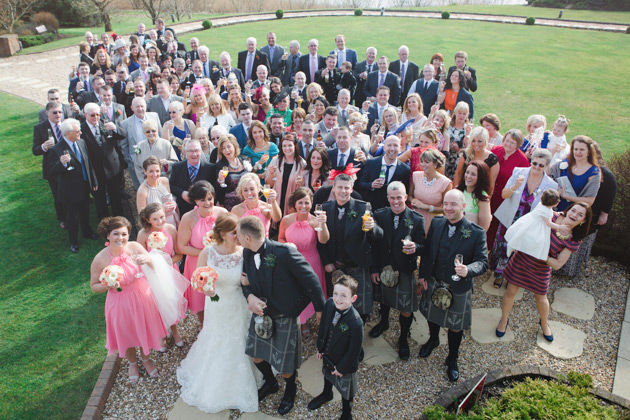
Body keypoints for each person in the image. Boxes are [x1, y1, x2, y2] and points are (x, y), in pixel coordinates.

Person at [238, 215, 326, 415]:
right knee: (255, 355)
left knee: (285, 366)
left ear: (248, 237)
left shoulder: (284, 252)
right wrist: (249, 296)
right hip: (261, 314)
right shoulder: (246, 252)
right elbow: (245, 282)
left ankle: (290, 389)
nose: (237, 239)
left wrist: (319, 309)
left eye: (239, 235)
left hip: (285, 314)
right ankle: (271, 383)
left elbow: (312, 281)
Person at [177, 213, 262, 413]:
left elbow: (255, 278)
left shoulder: (244, 252)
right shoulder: (208, 253)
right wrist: (205, 289)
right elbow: (197, 279)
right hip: (216, 303)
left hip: (238, 303)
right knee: (216, 337)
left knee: (240, 338)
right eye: (234, 232)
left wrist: (248, 282)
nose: (238, 235)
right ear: (222, 234)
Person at [418, 189, 488, 382]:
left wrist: (469, 269)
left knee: (456, 327)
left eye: (453, 204)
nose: (448, 208)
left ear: (463, 206)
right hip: (434, 281)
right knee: (432, 316)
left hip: (458, 287)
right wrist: (423, 274)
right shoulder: (437, 222)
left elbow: (483, 262)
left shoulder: (476, 233)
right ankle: (433, 339)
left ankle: (453, 358)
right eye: (446, 204)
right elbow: (429, 252)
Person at [495, 202, 592, 342]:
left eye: (580, 214)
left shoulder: (575, 239)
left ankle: (544, 324)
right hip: (523, 258)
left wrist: (541, 254)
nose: (574, 215)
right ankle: (503, 320)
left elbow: (558, 264)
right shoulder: (550, 216)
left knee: (541, 298)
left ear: (583, 221)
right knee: (510, 291)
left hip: (542, 266)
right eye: (573, 210)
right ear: (568, 210)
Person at [90, 217, 166, 381]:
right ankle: (132, 363)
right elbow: (93, 286)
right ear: (108, 235)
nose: (121, 238)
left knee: (144, 328)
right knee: (127, 333)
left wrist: (149, 260)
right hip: (119, 302)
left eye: (124, 234)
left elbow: (154, 266)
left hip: (141, 295)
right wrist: (107, 284)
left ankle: (146, 359)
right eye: (116, 234)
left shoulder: (135, 247)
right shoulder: (101, 259)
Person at [317, 174, 383, 324]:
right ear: (333, 188)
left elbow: (379, 236)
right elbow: (320, 241)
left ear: (351, 189)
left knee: (360, 309)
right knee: (337, 306)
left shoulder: (363, 207)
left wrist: (372, 228)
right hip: (335, 268)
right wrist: (326, 261)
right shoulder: (325, 208)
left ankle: (357, 339)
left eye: (346, 188)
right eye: (339, 187)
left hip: (357, 265)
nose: (343, 191)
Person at [370, 182, 425, 360]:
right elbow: (373, 246)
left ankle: (403, 337)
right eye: (392, 198)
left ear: (405, 197)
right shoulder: (379, 215)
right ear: (387, 198)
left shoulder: (417, 219)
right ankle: (384, 322)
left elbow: (424, 246)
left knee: (406, 308)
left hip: (404, 270)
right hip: (383, 267)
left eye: (399, 197)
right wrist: (374, 269)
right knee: (384, 300)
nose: (395, 201)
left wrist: (415, 247)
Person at [491, 149, 557, 288]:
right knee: (504, 246)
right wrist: (515, 186)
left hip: (529, 223)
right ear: (531, 162)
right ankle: (498, 275)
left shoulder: (551, 185)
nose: (537, 167)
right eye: (534, 163)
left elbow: (548, 208)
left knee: (519, 249)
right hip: (510, 217)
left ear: (547, 166)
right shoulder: (518, 173)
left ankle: (512, 277)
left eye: (541, 165)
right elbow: (504, 195)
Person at [307, 275, 363, 420]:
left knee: (346, 391)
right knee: (327, 375)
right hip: (328, 354)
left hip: (344, 363)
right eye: (335, 293)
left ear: (353, 298)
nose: (338, 298)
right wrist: (320, 348)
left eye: (343, 296)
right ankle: (327, 393)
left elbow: (354, 351)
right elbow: (324, 328)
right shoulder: (330, 304)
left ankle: (346, 413)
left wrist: (342, 368)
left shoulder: (356, 322)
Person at [556, 142, 615, 276]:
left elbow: (609, 195)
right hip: (574, 209)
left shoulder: (605, 174)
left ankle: (569, 270)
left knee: (579, 240)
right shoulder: (576, 167)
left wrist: (604, 214)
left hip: (592, 213)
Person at [279, 188, 329, 336]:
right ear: (295, 204)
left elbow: (324, 240)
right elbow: (280, 238)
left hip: (311, 262)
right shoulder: (287, 220)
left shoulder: (315, 220)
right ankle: (303, 321)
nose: (303, 206)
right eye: (300, 202)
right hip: (292, 261)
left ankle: (319, 317)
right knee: (296, 292)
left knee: (312, 290)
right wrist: (286, 245)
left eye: (307, 202)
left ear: (311, 203)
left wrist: (323, 224)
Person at [178, 181, 228, 326]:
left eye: (210, 198)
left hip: (221, 261)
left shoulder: (223, 213)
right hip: (197, 263)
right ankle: (203, 326)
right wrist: (206, 253)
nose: (207, 203)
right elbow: (181, 247)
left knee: (221, 295)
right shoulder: (188, 218)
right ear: (195, 201)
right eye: (202, 200)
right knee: (201, 298)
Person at [48, 118, 100, 253]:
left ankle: (87, 232)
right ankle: (73, 242)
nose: (81, 133)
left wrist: (93, 180)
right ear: (67, 134)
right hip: (69, 190)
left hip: (84, 185)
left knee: (85, 211)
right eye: (77, 131)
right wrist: (62, 164)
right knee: (72, 217)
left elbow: (88, 163)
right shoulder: (56, 149)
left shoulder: (81, 143)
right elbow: (52, 172)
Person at [137, 203, 185, 346]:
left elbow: (179, 254)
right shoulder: (143, 234)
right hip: (151, 275)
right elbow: (141, 259)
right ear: (148, 220)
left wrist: (166, 263)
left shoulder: (170, 229)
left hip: (170, 271)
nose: (160, 222)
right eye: (155, 219)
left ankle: (175, 332)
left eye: (162, 217)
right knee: (157, 305)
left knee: (170, 302)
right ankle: (161, 334)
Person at [487, 129, 530, 248]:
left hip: (504, 197)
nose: (508, 145)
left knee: (495, 224)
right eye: (507, 141)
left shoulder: (522, 160)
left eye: (513, 143)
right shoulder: (495, 150)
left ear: (518, 145)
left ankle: (491, 249)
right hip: (489, 192)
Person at [81, 102, 125, 219]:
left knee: (115, 196)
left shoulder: (105, 124)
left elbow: (123, 135)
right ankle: (104, 222)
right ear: (85, 115)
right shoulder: (81, 130)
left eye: (97, 114)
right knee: (100, 199)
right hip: (96, 170)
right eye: (92, 115)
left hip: (113, 167)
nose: (95, 117)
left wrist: (115, 129)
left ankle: (119, 219)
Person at [505, 189, 568, 259]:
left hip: (528, 221)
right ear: (556, 204)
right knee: (534, 243)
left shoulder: (541, 204)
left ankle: (512, 247)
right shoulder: (546, 212)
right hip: (536, 228)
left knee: (519, 235)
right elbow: (549, 224)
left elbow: (549, 210)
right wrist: (560, 227)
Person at [34, 102, 68, 227]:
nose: (58, 115)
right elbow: (35, 150)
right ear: (47, 113)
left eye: (60, 112)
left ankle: (77, 214)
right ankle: (63, 218)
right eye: (55, 112)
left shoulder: (67, 124)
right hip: (53, 168)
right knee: (58, 195)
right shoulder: (40, 128)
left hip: (69, 164)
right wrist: (43, 147)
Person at [119, 97, 162, 189]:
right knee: (141, 188)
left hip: (156, 161)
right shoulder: (125, 124)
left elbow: (161, 135)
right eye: (137, 106)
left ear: (146, 106)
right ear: (132, 108)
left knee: (158, 187)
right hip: (137, 163)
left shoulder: (154, 116)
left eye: (142, 106)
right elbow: (124, 145)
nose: (140, 109)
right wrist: (130, 160)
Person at [550, 135, 601, 212]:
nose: (578, 152)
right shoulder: (565, 162)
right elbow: (548, 173)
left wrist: (566, 196)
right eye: (575, 149)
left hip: (573, 212)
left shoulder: (594, 172)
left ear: (589, 151)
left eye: (582, 150)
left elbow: (589, 201)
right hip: (553, 207)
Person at [359, 136, 410, 210]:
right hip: (372, 208)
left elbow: (406, 192)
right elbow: (361, 184)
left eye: (395, 145)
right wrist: (371, 185)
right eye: (389, 145)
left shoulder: (405, 170)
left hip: (392, 211)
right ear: (384, 147)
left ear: (400, 148)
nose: (392, 149)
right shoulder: (371, 163)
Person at [409, 148, 452, 233]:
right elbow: (409, 196)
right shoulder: (416, 176)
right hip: (415, 219)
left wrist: (427, 207)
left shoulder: (446, 183)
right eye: (422, 161)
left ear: (435, 163)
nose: (423, 165)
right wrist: (413, 200)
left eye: (427, 162)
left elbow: (446, 208)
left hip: (434, 223)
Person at [170, 139, 217, 215]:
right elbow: (171, 185)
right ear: (185, 152)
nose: (194, 154)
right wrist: (182, 193)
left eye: (196, 151)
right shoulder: (177, 167)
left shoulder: (210, 168)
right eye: (191, 151)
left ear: (201, 152)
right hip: (183, 210)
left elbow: (214, 189)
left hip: (204, 211)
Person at [265, 134, 307, 215]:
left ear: (295, 146)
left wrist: (300, 183)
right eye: (284, 146)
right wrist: (271, 174)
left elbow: (304, 188)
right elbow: (269, 184)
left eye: (290, 145)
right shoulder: (275, 160)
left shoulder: (302, 163)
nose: (287, 148)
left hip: (292, 202)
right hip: (276, 200)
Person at [231, 173, 282, 238]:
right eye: (245, 190)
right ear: (242, 192)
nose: (249, 193)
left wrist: (273, 201)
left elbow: (277, 218)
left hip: (263, 245)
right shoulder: (236, 209)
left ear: (258, 189)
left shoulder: (266, 207)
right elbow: (232, 231)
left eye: (252, 189)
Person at [453, 127, 499, 195]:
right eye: (473, 141)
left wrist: (486, 201)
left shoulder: (492, 159)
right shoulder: (466, 154)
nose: (476, 144)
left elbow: (491, 185)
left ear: (485, 141)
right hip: (463, 191)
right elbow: (458, 173)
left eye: (479, 141)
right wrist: (455, 192)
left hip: (480, 194)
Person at [137, 156, 180, 228]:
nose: (154, 174)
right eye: (151, 171)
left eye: (157, 171)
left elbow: (168, 198)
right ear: (145, 171)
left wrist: (173, 203)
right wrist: (161, 209)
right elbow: (142, 215)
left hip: (171, 221)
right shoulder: (142, 191)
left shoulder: (165, 181)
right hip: (157, 226)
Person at [215, 134, 251, 210]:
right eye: (223, 148)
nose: (226, 150)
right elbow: (217, 189)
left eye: (229, 146)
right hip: (230, 205)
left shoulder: (245, 159)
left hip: (247, 200)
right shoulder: (220, 166)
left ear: (234, 146)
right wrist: (220, 180)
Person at [457, 162, 492, 231]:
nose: (468, 176)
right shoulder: (458, 191)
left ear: (480, 177)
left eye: (473, 174)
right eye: (467, 172)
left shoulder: (482, 198)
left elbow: (483, 227)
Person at [444, 101, 471, 180]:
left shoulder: (467, 129)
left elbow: (468, 148)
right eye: (459, 113)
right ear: (455, 112)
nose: (461, 116)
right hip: (446, 157)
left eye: (464, 114)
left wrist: (458, 149)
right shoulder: (447, 125)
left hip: (458, 160)